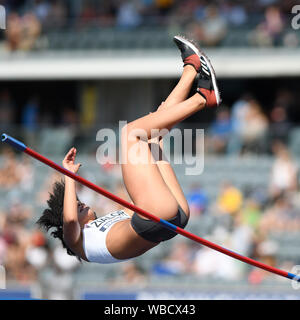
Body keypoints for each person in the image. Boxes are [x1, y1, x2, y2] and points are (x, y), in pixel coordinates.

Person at [37, 35, 221, 264]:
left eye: (78, 203)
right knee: (129, 134)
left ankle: (191, 71)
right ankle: (203, 98)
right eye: (77, 206)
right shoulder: (76, 242)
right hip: (157, 218)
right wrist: (69, 176)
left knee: (155, 128)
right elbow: (71, 221)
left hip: (169, 218)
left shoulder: (104, 226)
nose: (82, 204)